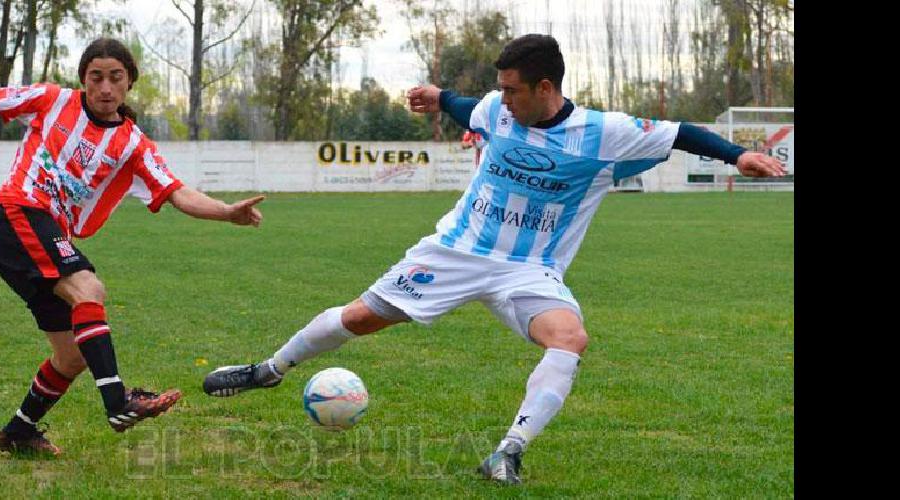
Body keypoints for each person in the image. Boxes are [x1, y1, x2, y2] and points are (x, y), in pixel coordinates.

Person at [201, 34, 785, 485]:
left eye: (512, 89)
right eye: (499, 88)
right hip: (455, 250)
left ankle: (508, 453)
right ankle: (268, 370)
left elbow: (681, 131)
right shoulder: (495, 110)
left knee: (569, 338)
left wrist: (739, 156)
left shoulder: (604, 132)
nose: (501, 99)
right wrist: (434, 97)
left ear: (546, 88)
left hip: (529, 269)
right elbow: (463, 105)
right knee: (358, 319)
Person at [0, 37, 267, 457]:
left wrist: (226, 211)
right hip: (17, 212)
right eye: (96, 78)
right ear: (83, 80)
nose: (106, 88)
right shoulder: (51, 99)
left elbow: (176, 191)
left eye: (116, 78)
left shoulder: (134, 144)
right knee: (88, 289)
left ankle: (19, 431)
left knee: (72, 356)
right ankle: (118, 402)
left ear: (129, 83)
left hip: (41, 232)